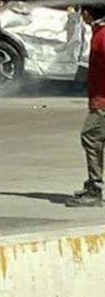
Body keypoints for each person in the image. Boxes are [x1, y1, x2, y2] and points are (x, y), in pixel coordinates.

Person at [69, 12, 105, 207]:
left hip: (103, 102)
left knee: (91, 137)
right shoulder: (99, 33)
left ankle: (95, 188)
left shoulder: (102, 36)